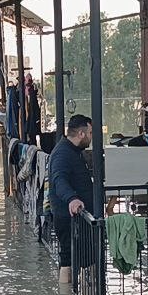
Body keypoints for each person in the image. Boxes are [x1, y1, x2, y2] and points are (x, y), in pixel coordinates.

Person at [48, 114, 96, 286]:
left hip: (75, 215)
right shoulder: (63, 153)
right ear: (81, 134)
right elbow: (58, 180)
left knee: (77, 258)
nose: (92, 137)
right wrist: (72, 199)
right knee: (71, 259)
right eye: (90, 133)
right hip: (69, 216)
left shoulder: (71, 151)